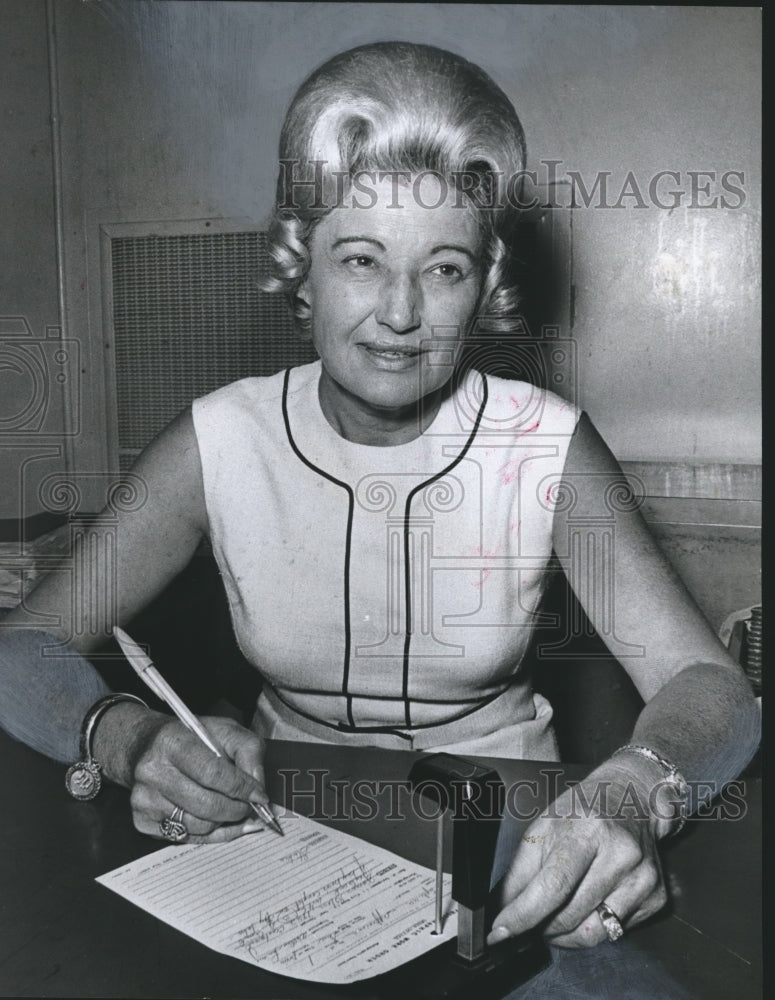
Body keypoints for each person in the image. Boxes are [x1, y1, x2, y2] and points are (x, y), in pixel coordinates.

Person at [0, 41, 759, 963]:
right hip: (272, 840)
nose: (400, 313)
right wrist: (124, 736)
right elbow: (22, 648)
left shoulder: (544, 443)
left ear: (485, 282)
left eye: (442, 268)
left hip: (521, 849)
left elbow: (711, 687)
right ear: (301, 266)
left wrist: (631, 793)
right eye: (361, 259)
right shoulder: (216, 440)